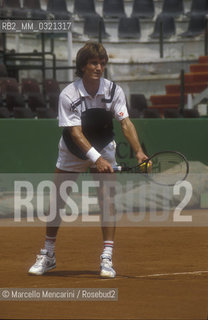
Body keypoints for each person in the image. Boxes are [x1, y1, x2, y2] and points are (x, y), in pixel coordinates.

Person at [28, 41, 148, 278]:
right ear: (82, 66)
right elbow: (75, 132)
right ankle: (48, 254)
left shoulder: (114, 91)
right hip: (74, 149)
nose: (99, 67)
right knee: (57, 201)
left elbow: (125, 123)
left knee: (107, 201)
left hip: (104, 145)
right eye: (94, 62)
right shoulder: (68, 94)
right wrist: (96, 159)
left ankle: (107, 257)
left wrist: (139, 152)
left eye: (102, 63)